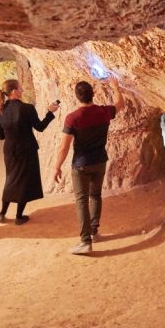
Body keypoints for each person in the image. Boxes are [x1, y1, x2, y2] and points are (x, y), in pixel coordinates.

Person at [54, 75, 124, 254]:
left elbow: (64, 146)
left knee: (81, 201)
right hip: (100, 160)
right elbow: (120, 104)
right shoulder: (103, 112)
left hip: (81, 164)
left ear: (77, 97)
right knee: (96, 196)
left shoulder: (72, 118)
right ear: (93, 94)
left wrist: (57, 166)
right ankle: (94, 231)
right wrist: (115, 87)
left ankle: (85, 241)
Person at [0, 79, 59, 224]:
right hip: (26, 149)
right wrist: (50, 112)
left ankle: (2, 213)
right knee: (24, 181)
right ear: (14, 92)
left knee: (10, 179)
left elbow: (0, 136)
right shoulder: (27, 108)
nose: (22, 91)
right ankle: (19, 216)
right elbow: (40, 127)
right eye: (20, 89)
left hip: (10, 150)